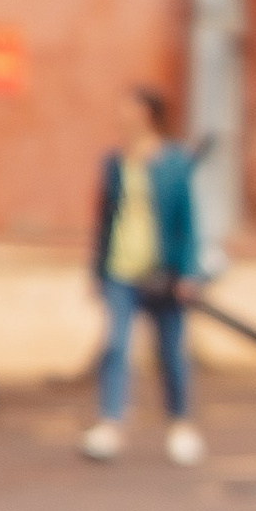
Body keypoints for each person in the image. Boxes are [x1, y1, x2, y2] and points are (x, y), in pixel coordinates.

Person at [83, 84, 205, 465]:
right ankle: (110, 425)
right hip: (121, 270)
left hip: (163, 271)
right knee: (116, 346)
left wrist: (188, 271)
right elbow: (104, 220)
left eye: (130, 110)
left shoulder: (173, 162)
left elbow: (188, 222)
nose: (123, 117)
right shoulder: (115, 162)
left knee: (170, 352)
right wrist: (96, 270)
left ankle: (181, 424)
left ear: (148, 115)